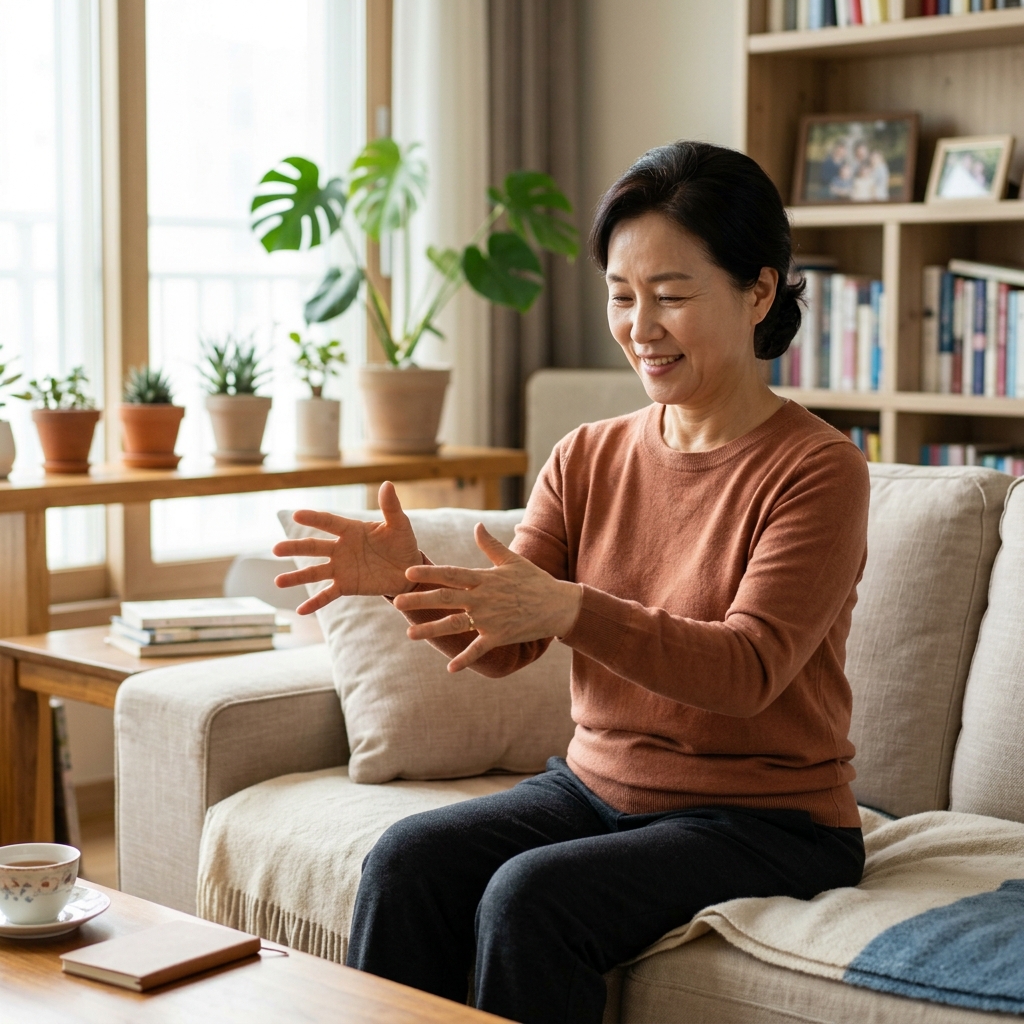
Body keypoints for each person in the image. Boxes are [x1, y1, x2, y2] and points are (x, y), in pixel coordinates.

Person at [273, 141, 870, 1024]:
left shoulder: (817, 469)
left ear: (758, 292)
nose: (640, 326)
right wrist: (414, 582)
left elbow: (747, 673)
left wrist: (574, 608)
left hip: (768, 819)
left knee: (531, 897)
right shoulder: (587, 454)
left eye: (671, 296)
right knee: (407, 858)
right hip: (593, 786)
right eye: (621, 297)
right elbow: (507, 650)